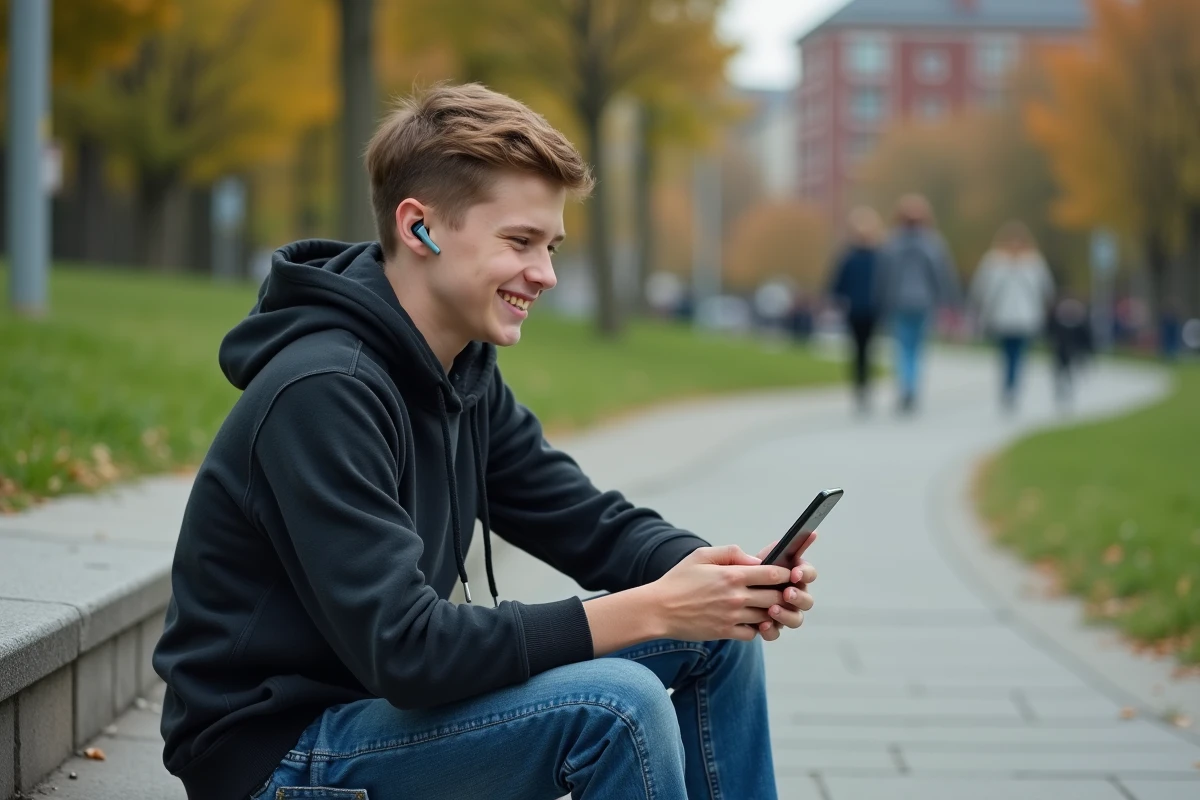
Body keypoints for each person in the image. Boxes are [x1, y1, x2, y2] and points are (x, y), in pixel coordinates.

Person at [152, 83, 819, 800]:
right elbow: (407, 649)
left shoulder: (460, 373)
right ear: (421, 229)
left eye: (552, 245)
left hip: (378, 718)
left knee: (713, 641)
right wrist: (656, 607)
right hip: (277, 756)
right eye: (520, 241)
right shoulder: (322, 390)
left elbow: (582, 518)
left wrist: (718, 577)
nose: (547, 274)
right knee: (618, 707)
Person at [873, 193, 959, 413]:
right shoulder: (933, 243)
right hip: (922, 302)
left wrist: (881, 301)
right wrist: (947, 300)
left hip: (899, 302)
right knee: (916, 349)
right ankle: (911, 387)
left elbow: (883, 276)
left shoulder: (892, 242)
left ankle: (906, 386)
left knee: (903, 348)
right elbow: (941, 275)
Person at [968, 221, 1056, 411]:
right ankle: (1010, 386)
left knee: (1015, 355)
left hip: (1022, 318)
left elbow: (1046, 289)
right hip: (1007, 318)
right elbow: (981, 289)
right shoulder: (996, 261)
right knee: (1010, 354)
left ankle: (1011, 387)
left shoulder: (1032, 262)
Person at [828, 206, 885, 413]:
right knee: (867, 350)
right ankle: (864, 387)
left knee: (858, 350)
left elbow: (837, 284)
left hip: (856, 309)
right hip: (870, 309)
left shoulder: (849, 256)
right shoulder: (878, 257)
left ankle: (860, 388)